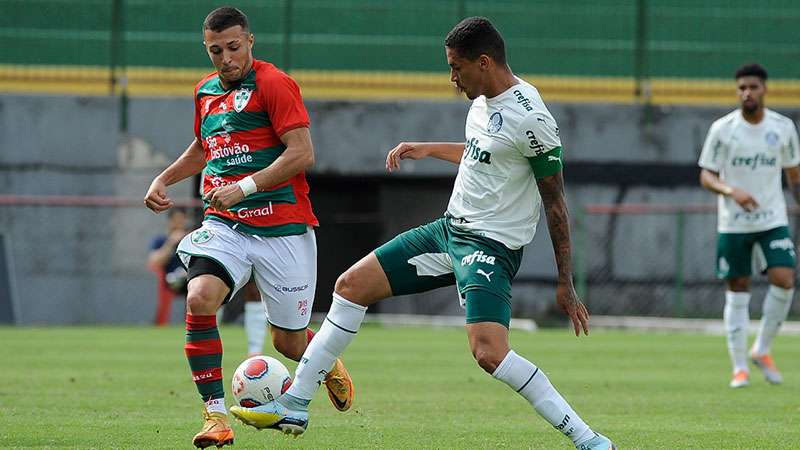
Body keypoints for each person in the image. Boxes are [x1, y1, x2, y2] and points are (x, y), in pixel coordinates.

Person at [230, 17, 615, 450]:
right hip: (448, 232)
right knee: (351, 285)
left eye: (457, 68)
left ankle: (589, 440)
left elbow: (555, 201)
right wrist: (430, 148)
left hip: (490, 246)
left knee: (489, 353)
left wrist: (566, 282)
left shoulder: (532, 119)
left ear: (484, 62)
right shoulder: (483, 101)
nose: (452, 79)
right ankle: (296, 403)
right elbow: (484, 155)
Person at [142, 6, 353, 448]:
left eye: (233, 48)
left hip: (284, 229)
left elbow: (302, 153)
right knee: (200, 298)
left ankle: (324, 361)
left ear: (250, 42)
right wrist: (163, 178)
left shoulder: (274, 84)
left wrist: (245, 186)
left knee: (288, 343)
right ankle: (215, 417)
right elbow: (205, 147)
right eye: (215, 50)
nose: (225, 58)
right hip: (226, 226)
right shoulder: (205, 93)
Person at [698, 63, 800, 389]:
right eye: (742, 88)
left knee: (784, 279)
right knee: (738, 289)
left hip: (772, 218)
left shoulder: (783, 128)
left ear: (765, 89)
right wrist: (732, 191)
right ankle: (739, 367)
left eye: (753, 87)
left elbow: (793, 175)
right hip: (734, 223)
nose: (747, 93)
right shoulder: (722, 129)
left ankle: (763, 349)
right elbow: (706, 175)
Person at [147, 207, 190, 325]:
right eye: (176, 220)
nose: (179, 224)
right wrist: (171, 242)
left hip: (190, 279)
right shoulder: (161, 240)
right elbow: (154, 262)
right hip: (170, 281)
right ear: (170, 221)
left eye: (182, 220)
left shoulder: (190, 240)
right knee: (175, 278)